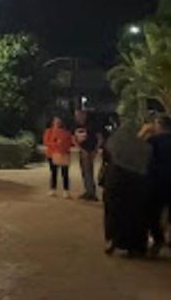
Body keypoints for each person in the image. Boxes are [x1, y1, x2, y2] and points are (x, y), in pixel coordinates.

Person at [104, 118, 153, 256]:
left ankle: (113, 240)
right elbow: (147, 163)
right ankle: (134, 246)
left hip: (115, 181)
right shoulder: (145, 147)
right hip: (136, 184)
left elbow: (107, 155)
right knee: (135, 214)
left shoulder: (115, 142)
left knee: (114, 213)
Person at [146, 115, 171, 255]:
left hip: (157, 182)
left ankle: (158, 240)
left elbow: (140, 153)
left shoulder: (153, 140)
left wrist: (144, 132)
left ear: (160, 125)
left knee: (153, 214)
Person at [73, 110, 102, 201]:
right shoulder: (76, 126)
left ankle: (91, 193)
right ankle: (88, 191)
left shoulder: (92, 125)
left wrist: (95, 150)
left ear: (84, 115)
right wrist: (80, 148)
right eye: (76, 115)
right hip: (83, 151)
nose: (77, 117)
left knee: (88, 171)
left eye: (79, 115)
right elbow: (73, 138)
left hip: (90, 150)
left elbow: (100, 138)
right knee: (85, 171)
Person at [43, 116, 74, 198]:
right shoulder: (49, 131)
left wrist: (62, 148)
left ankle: (66, 190)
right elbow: (46, 142)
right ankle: (53, 189)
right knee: (53, 172)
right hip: (52, 154)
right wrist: (56, 145)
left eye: (59, 121)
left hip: (63, 154)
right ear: (53, 122)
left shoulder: (67, 132)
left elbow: (69, 143)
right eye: (56, 121)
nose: (58, 122)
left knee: (65, 173)